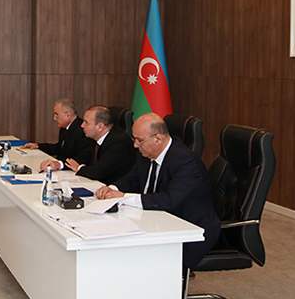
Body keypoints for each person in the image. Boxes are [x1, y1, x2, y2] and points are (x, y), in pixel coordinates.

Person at [95, 113, 220, 270]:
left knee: (134, 258)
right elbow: (132, 179)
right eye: (134, 139)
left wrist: (124, 198)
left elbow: (169, 200)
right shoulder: (146, 153)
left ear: (158, 139)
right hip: (156, 220)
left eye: (139, 140)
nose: (135, 145)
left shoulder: (185, 160)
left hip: (189, 229)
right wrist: (112, 188)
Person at [63, 105, 136, 184]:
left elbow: (96, 172)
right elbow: (83, 158)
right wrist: (60, 165)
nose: (82, 125)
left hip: (114, 187)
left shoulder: (119, 143)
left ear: (100, 127)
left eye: (86, 122)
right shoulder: (93, 139)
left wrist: (79, 168)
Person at [23, 99, 94, 172]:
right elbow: (59, 148)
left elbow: (83, 158)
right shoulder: (64, 128)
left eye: (57, 115)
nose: (54, 118)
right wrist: (38, 146)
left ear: (68, 115)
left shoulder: (82, 130)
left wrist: (59, 164)